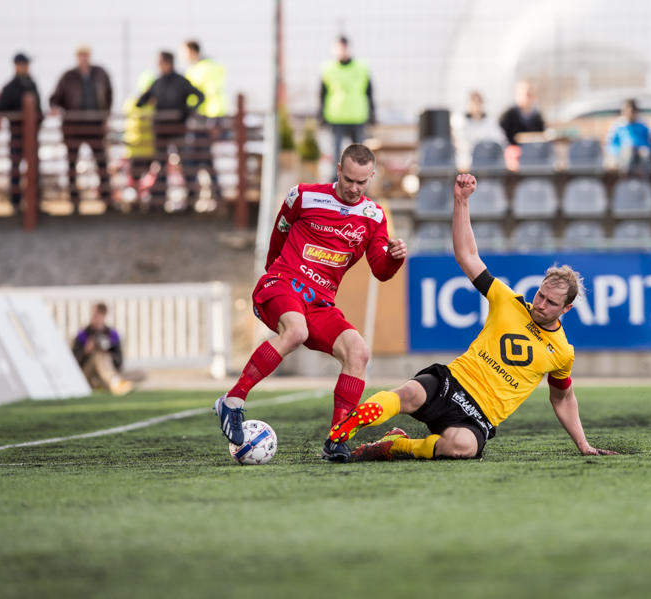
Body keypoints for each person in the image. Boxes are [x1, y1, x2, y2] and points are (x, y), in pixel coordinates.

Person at [328, 173, 618, 462]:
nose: (540, 304)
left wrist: (583, 444)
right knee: (408, 395)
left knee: (461, 448)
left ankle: (396, 445)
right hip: (452, 381)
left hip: (479, 416)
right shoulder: (508, 301)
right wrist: (461, 200)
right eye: (540, 295)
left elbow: (563, 399)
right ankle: (340, 434)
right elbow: (467, 255)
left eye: (551, 302)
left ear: (566, 309)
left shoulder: (563, 353)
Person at [213, 143, 407, 462]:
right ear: (338, 171)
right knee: (296, 332)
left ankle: (336, 439)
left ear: (372, 176)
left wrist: (394, 259)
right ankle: (232, 401)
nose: (354, 188)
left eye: (362, 182)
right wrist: (274, 274)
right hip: (283, 283)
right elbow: (279, 234)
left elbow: (381, 271)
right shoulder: (304, 196)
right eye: (348, 180)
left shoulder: (373, 216)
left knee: (358, 352)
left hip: (320, 304)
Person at [49, 46, 113, 204]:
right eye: (81, 55)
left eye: (86, 54)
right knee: (72, 163)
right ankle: (74, 200)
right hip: (73, 126)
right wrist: (55, 107)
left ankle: (107, 199)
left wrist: (105, 117)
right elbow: (55, 97)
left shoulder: (100, 73)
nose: (83, 57)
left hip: (95, 125)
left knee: (101, 162)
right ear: (77, 56)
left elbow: (109, 95)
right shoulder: (68, 76)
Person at [136, 52, 204, 200]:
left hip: (178, 129)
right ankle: (159, 198)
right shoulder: (157, 82)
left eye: (161, 62)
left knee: (185, 164)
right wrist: (148, 94)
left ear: (168, 63)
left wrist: (188, 110)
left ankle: (192, 198)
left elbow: (200, 95)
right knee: (160, 165)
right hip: (161, 130)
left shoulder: (181, 82)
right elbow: (140, 102)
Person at [320, 37, 375, 181]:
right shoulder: (328, 69)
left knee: (359, 153)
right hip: (336, 116)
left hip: (357, 115)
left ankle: (360, 180)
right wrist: (321, 114)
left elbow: (369, 90)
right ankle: (336, 181)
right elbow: (322, 93)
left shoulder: (361, 67)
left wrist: (372, 111)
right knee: (336, 153)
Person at [183, 40, 227, 198]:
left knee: (197, 158)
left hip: (205, 121)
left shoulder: (206, 69)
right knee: (203, 159)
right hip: (198, 120)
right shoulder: (195, 69)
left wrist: (214, 120)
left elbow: (213, 94)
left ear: (192, 51)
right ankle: (214, 195)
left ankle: (198, 195)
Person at [0, 53, 41, 208]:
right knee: (16, 168)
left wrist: (37, 123)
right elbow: (2, 109)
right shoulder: (9, 87)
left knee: (35, 167)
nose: (25, 67)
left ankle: (35, 202)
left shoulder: (32, 85)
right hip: (17, 134)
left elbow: (39, 109)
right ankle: (16, 202)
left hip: (33, 135)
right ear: (16, 66)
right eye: (23, 64)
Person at [72, 303, 133, 396]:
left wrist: (110, 355)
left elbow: (119, 362)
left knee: (141, 374)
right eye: (93, 315)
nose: (94, 318)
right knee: (98, 356)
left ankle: (104, 383)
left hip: (107, 370)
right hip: (86, 373)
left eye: (97, 315)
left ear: (104, 315)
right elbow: (72, 362)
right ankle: (114, 382)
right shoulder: (83, 335)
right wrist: (86, 350)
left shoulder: (112, 335)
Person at [450, 91, 506, 171]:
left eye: (478, 103)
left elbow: (500, 140)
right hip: (467, 161)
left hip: (490, 159)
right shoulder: (460, 121)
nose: (476, 106)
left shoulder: (491, 121)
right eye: (474, 103)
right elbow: (462, 144)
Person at [605, 99, 651, 177]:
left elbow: (650, 141)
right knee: (628, 153)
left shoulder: (643, 125)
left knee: (645, 154)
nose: (630, 113)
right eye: (628, 110)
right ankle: (626, 181)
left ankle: (644, 182)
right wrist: (618, 152)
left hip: (640, 155)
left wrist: (643, 148)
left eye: (633, 111)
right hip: (624, 155)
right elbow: (611, 145)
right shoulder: (618, 126)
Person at [498, 80, 545, 146]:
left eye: (530, 94)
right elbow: (501, 138)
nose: (528, 97)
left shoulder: (536, 116)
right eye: (526, 94)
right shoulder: (508, 116)